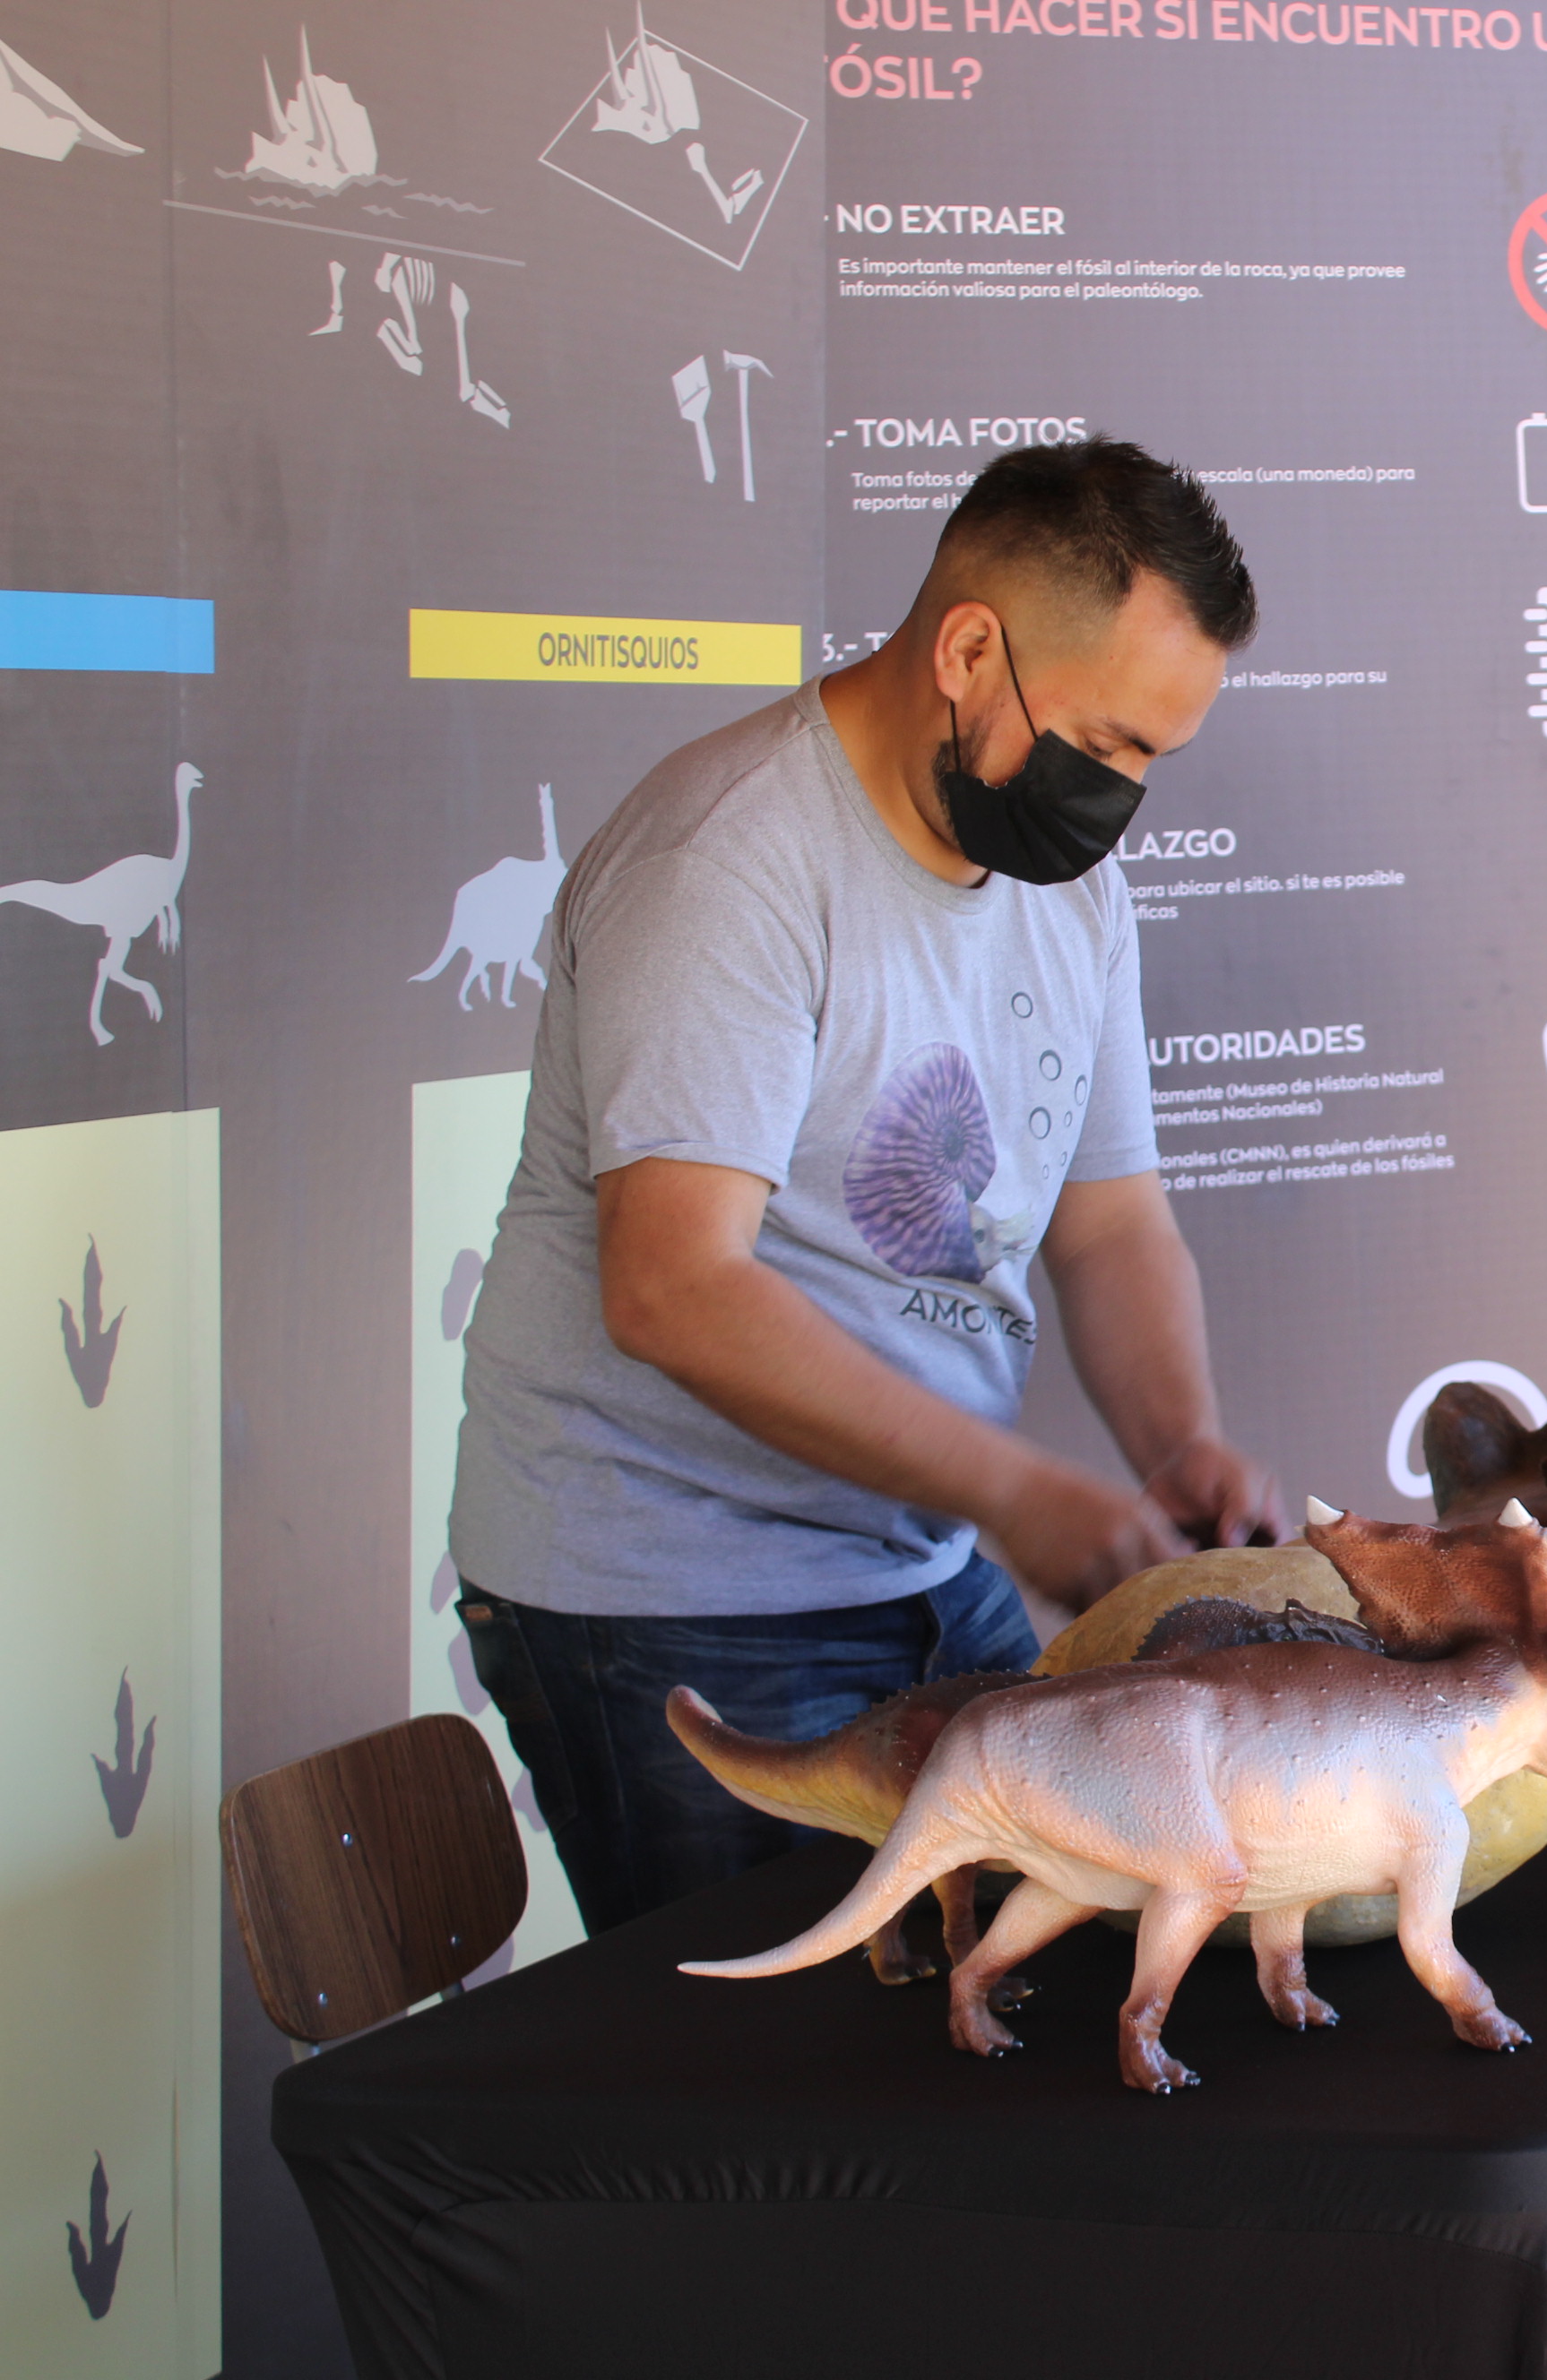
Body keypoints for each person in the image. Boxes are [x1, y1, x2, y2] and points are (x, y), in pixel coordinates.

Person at [450, 438, 1289, 1934]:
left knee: (999, 1994)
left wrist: (1178, 1446)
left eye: (1156, 760)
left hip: (917, 1551)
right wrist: (1013, 1489)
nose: (1123, 799)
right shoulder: (729, 862)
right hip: (665, 1587)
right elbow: (671, 1286)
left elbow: (1108, 1222)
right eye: (1106, 743)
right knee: (776, 2108)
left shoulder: (1073, 895)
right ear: (970, 650)